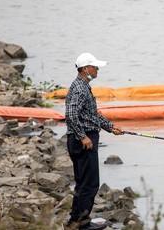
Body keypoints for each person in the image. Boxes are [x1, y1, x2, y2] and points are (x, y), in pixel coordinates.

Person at [65, 52, 123, 230]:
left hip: (84, 138)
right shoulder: (79, 88)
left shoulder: (83, 86)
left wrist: (110, 127)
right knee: (89, 184)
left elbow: (91, 115)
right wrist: (83, 136)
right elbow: (71, 115)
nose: (97, 69)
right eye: (94, 66)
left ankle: (77, 221)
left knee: (84, 182)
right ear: (84, 69)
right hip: (83, 141)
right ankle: (80, 223)